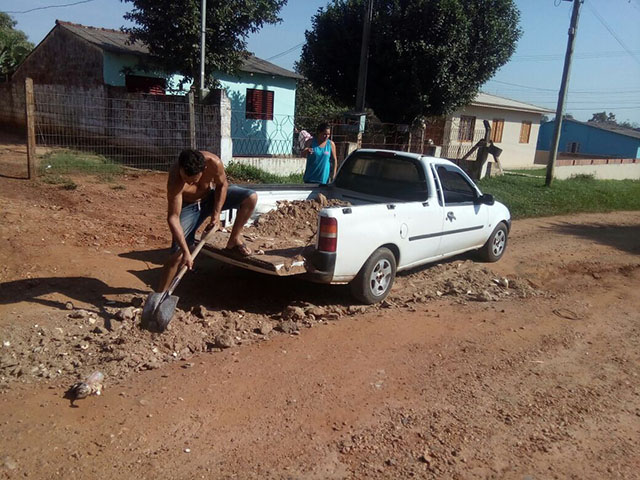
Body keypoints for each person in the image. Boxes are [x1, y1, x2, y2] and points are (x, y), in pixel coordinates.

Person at [156, 149, 257, 292]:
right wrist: (186, 251)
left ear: (204, 169)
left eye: (194, 179)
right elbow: (173, 217)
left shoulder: (214, 163)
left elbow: (222, 185)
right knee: (177, 254)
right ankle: (160, 294)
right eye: (186, 179)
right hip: (189, 207)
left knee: (250, 197)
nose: (189, 182)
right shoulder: (175, 180)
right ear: (181, 168)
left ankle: (234, 239)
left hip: (209, 198)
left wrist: (216, 215)